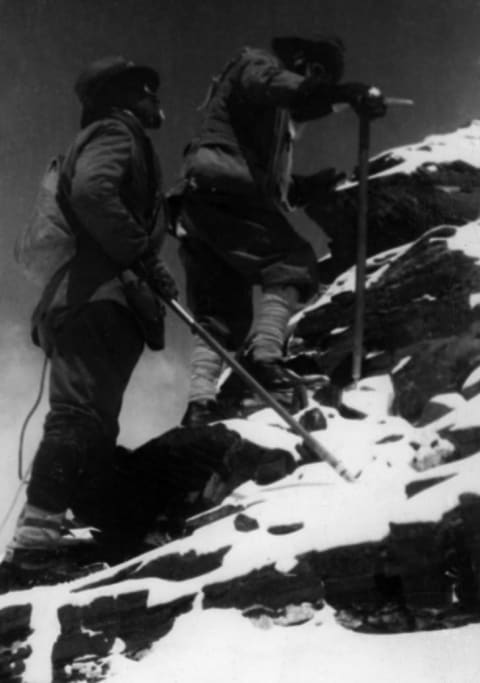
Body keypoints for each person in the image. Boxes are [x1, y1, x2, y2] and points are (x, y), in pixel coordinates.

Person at [0, 56, 177, 584]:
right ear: (122, 97)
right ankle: (36, 541)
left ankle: (80, 526)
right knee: (79, 417)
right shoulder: (115, 131)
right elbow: (92, 192)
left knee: (94, 424)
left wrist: (146, 267)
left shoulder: (120, 135)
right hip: (96, 300)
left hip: (105, 303)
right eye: (146, 88)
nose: (154, 96)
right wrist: (140, 255)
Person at [171, 35, 386, 428]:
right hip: (226, 193)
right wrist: (341, 94)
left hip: (199, 204)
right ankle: (265, 359)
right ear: (301, 61)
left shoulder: (270, 124)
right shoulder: (258, 64)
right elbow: (275, 86)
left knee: (219, 313)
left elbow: (269, 185)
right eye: (317, 71)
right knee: (292, 261)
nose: (316, 79)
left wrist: (306, 188)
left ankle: (200, 403)